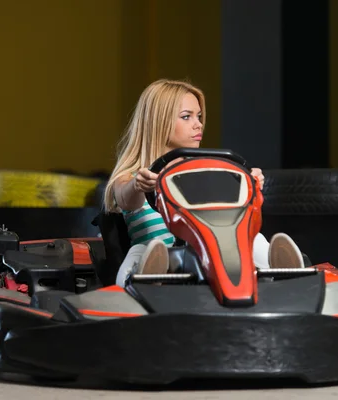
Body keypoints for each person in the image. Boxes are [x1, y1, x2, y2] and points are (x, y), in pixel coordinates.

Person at [103, 79, 305, 287]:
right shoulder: (132, 177)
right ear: (158, 122)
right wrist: (138, 185)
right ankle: (149, 278)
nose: (198, 124)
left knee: (253, 242)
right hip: (160, 253)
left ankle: (285, 272)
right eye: (186, 117)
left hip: (203, 253)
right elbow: (125, 198)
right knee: (143, 252)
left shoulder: (205, 173)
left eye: (198, 116)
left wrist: (247, 184)